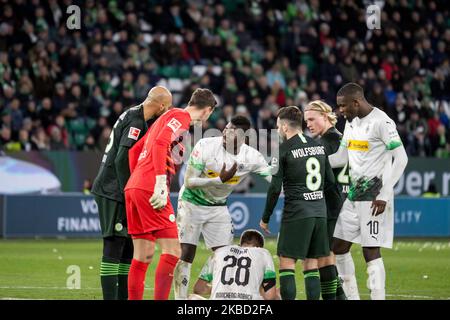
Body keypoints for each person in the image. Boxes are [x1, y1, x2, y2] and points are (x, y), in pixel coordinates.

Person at [124, 88, 217, 300]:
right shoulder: (180, 117)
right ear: (207, 111)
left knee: (143, 256)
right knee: (173, 252)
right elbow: (159, 143)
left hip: (135, 187)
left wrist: (137, 180)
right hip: (150, 188)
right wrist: (157, 181)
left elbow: (135, 150)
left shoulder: (165, 117)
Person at [173, 115, 272, 300]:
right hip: (191, 202)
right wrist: (219, 179)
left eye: (233, 130)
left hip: (218, 207)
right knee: (187, 253)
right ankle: (181, 301)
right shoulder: (205, 146)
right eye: (226, 127)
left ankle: (222, 297)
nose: (226, 132)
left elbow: (273, 180)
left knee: (226, 256)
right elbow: (189, 181)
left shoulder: (252, 156)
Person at [91, 86, 172, 300]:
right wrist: (131, 192)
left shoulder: (133, 114)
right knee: (115, 246)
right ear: (161, 106)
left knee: (128, 247)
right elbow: (120, 160)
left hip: (117, 190)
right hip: (113, 191)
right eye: (168, 108)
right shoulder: (136, 123)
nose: (167, 112)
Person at [329, 83, 408, 300]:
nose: (340, 111)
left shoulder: (382, 122)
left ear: (356, 102)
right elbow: (340, 158)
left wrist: (384, 194)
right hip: (354, 195)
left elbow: (401, 159)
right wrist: (312, 159)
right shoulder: (351, 123)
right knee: (338, 246)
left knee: (370, 249)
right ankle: (352, 297)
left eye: (343, 106)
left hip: (375, 196)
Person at [259, 106, 342, 300]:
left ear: (286, 127)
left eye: (278, 126)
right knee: (311, 265)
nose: (278, 129)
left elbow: (274, 188)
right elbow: (330, 183)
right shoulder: (318, 146)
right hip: (319, 214)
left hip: (296, 212)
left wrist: (265, 218)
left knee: (287, 263)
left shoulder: (284, 149)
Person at [304, 100, 349, 300]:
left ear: (325, 116)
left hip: (333, 206)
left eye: (312, 119)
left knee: (323, 257)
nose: (308, 124)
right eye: (306, 121)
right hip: (339, 204)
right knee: (326, 256)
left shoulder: (327, 142)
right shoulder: (337, 138)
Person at [191, 229, 278, 300]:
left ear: (240, 244)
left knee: (191, 298)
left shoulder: (219, 252)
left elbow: (199, 288)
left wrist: (222, 289)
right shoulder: (263, 254)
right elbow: (270, 296)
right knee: (278, 295)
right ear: (259, 247)